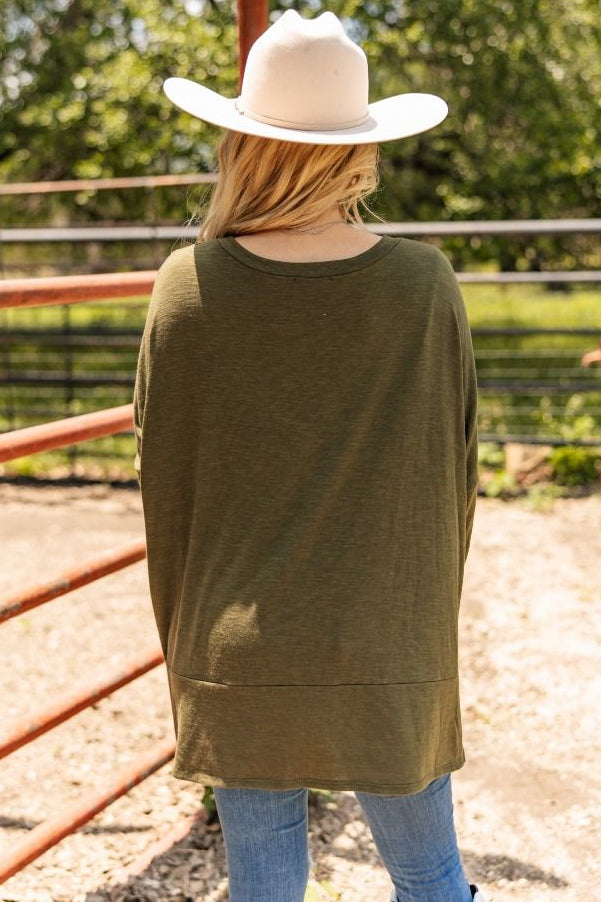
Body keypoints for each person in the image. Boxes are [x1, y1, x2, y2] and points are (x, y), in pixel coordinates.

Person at [133, 9, 483, 902]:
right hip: (387, 638)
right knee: (431, 878)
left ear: (244, 145)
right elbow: (454, 480)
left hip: (235, 649)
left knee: (263, 885)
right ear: (358, 152)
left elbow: (162, 488)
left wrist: (190, 652)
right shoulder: (422, 287)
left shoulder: (186, 287)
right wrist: (419, 628)